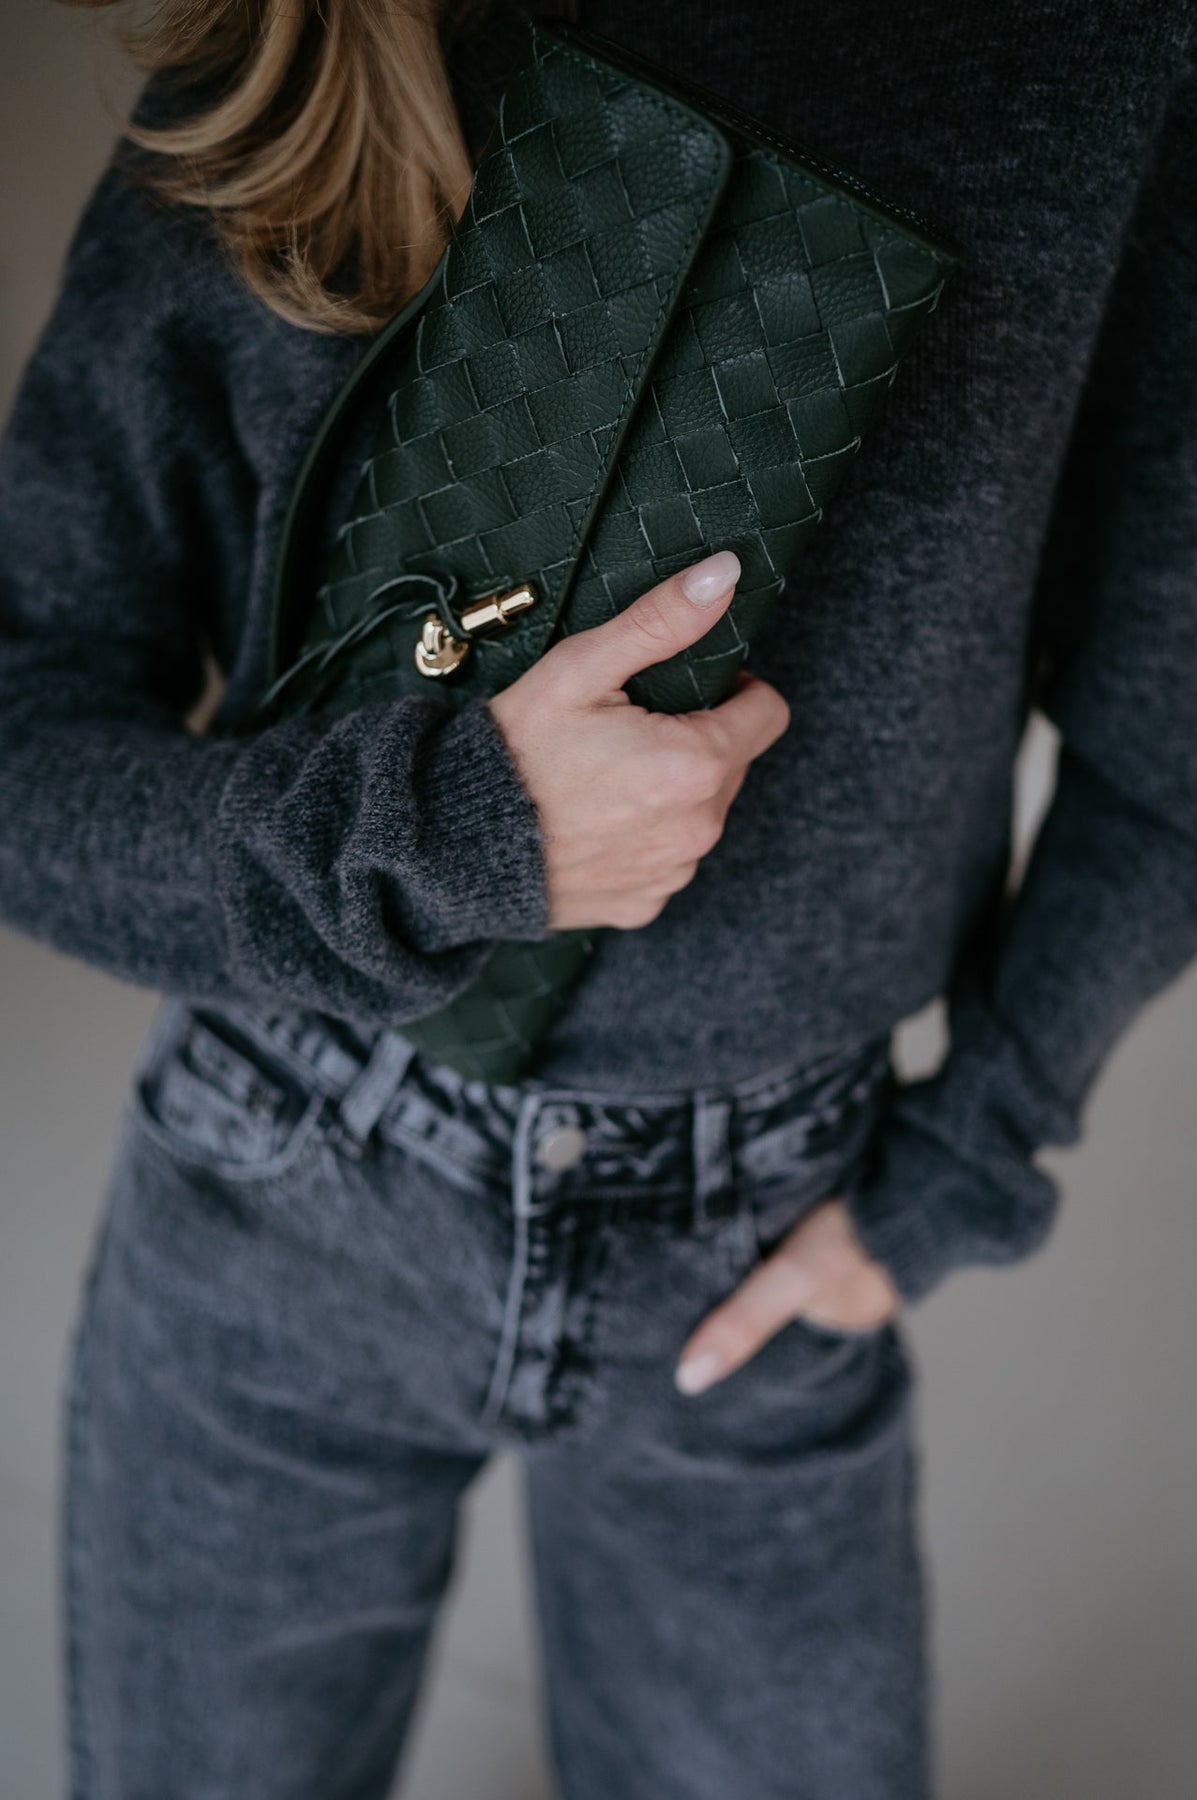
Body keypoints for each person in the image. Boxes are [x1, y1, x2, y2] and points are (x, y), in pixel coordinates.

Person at [1, 0, 1194, 1794]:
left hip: (759, 1246)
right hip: (274, 1185)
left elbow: (1171, 739)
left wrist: (965, 1160)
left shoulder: (1093, 54)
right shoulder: (306, 41)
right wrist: (440, 830)